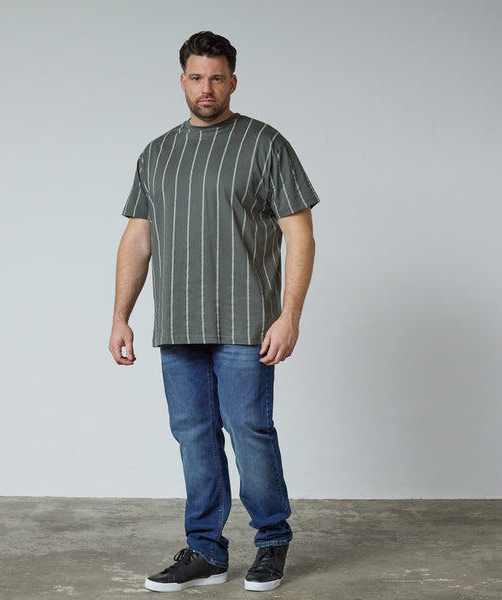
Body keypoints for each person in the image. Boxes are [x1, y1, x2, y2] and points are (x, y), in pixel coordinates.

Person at [109, 31, 319, 593]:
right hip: (178, 324)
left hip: (247, 322)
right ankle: (205, 550)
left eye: (217, 78)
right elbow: (137, 239)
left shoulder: (265, 144)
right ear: (182, 80)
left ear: (233, 81)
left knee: (250, 430)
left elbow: (299, 234)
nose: (207, 88)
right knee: (193, 435)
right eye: (197, 78)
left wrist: (290, 315)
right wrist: (120, 316)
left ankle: (271, 541)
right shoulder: (157, 153)